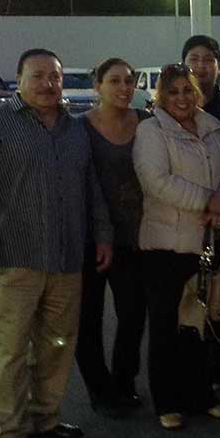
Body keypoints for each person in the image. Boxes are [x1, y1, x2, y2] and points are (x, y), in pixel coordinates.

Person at [0, 48, 113, 438]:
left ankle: (45, 419)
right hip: (12, 259)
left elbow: (91, 188)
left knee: (56, 345)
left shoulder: (75, 129)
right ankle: (9, 435)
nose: (48, 84)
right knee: (9, 352)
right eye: (38, 76)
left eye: (55, 77)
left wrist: (102, 235)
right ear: (19, 80)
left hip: (66, 260)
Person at [133, 64, 220, 431]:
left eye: (187, 90)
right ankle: (167, 402)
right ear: (162, 96)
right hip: (165, 246)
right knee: (166, 326)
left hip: (207, 241)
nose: (181, 98)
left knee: (199, 326)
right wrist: (207, 200)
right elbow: (156, 181)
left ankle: (201, 396)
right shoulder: (151, 131)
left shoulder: (213, 128)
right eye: (173, 91)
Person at [73, 58, 154, 418]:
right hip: (90, 238)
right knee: (87, 319)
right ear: (98, 86)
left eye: (128, 81)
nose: (123, 88)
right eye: (114, 81)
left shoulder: (147, 122)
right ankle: (99, 389)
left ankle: (124, 381)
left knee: (133, 314)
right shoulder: (79, 128)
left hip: (134, 237)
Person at [182, 34, 220, 391]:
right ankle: (190, 370)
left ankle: (218, 365)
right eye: (194, 59)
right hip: (184, 215)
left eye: (208, 60)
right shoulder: (172, 105)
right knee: (188, 295)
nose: (201, 66)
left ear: (219, 65)